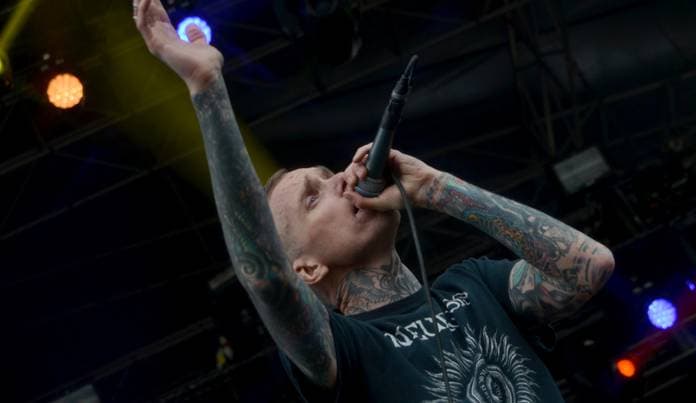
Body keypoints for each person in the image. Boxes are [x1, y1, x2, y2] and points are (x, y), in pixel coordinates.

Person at [133, 0, 615, 401]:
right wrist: (208, 90)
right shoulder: (345, 349)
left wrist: (435, 188)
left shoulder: (475, 285)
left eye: (330, 175)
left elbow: (588, 267)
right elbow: (264, 276)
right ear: (307, 269)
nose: (343, 181)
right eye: (313, 199)